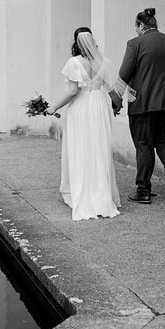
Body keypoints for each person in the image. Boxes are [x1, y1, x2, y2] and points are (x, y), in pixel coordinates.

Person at [46, 27, 131, 220]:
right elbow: (113, 89)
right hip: (99, 107)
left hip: (82, 108)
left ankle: (82, 193)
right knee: (99, 148)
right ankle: (102, 194)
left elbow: (73, 92)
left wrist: (54, 108)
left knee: (81, 148)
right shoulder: (104, 62)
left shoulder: (74, 63)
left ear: (76, 42)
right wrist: (117, 106)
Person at [118, 8, 165, 204]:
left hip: (143, 105)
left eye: (136, 26)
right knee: (164, 140)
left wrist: (114, 102)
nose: (136, 30)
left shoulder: (135, 44)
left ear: (141, 25)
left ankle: (143, 190)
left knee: (144, 145)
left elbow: (123, 75)